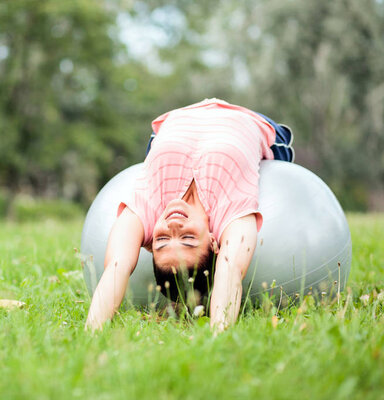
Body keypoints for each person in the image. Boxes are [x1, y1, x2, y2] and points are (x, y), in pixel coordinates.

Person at [85, 98, 294, 332]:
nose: (174, 226)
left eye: (162, 240)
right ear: (215, 242)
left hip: (179, 116)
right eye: (188, 239)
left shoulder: (147, 209)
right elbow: (231, 269)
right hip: (250, 120)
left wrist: (92, 335)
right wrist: (219, 335)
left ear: (149, 244)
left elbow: (117, 265)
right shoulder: (231, 212)